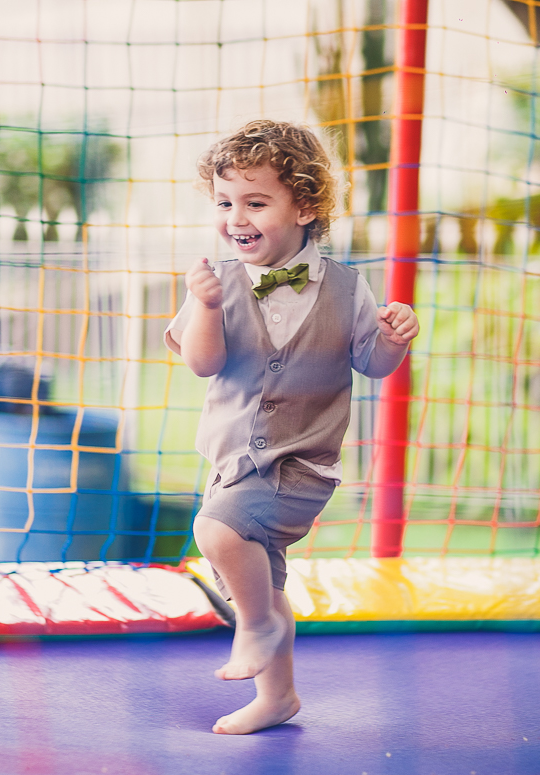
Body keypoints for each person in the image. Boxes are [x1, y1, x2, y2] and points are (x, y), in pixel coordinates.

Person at [164, 120, 419, 735]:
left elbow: (373, 364)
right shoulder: (217, 284)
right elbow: (203, 363)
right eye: (225, 203)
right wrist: (205, 306)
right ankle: (278, 697)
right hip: (233, 462)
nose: (236, 218)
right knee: (261, 578)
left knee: (216, 531)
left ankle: (255, 628)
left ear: (305, 208)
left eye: (255, 203)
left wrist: (393, 339)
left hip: (302, 464)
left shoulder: (347, 289)